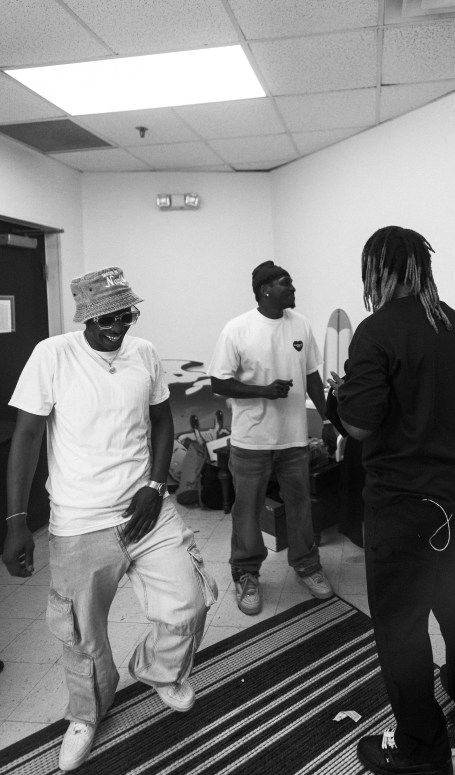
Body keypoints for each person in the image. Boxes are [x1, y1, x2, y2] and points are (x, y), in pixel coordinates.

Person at [2, 266, 216, 772]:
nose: (118, 324)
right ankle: (87, 713)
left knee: (190, 601)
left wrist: (156, 485)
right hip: (79, 521)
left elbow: (162, 419)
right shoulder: (52, 355)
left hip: (147, 510)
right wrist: (14, 521)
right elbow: (28, 437)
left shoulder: (143, 354)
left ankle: (159, 670)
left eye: (127, 313)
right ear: (85, 318)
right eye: (106, 317)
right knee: (82, 634)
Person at [328, 226, 455, 775]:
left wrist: (337, 398)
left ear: (378, 270)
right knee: (453, 593)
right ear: (419, 268)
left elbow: (358, 423)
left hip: (402, 503)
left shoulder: (376, 331)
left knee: (400, 623)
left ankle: (422, 747)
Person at [209, 261, 337, 616]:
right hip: (251, 442)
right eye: (286, 283)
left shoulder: (301, 324)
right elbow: (218, 382)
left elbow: (312, 377)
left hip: (294, 440)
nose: (293, 288)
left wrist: (328, 419)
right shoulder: (238, 329)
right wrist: (263, 391)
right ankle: (247, 575)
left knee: (300, 507)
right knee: (247, 512)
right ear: (266, 289)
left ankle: (308, 566)